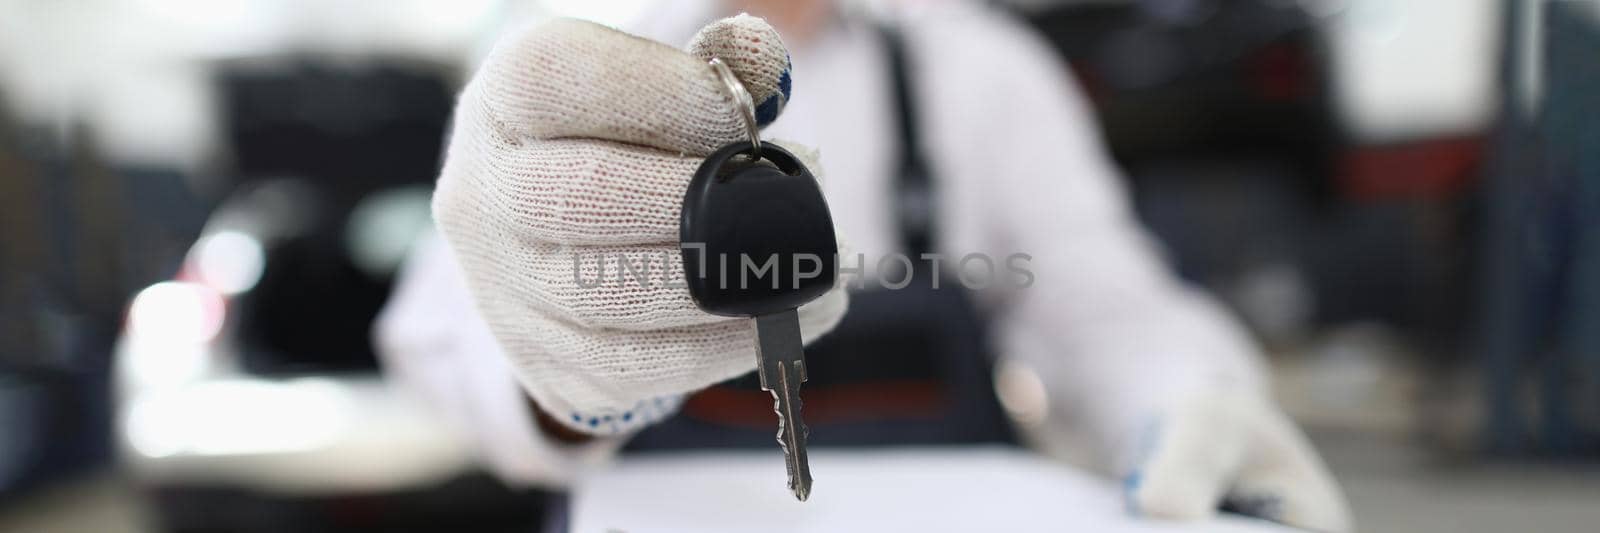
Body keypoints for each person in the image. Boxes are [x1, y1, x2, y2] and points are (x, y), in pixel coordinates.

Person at [376, 1, 1351, 530]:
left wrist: (1184, 397)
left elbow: (1102, 301)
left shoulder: (978, 64)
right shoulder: (564, 52)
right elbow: (441, 336)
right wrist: (570, 374)